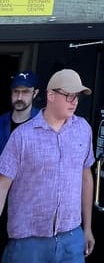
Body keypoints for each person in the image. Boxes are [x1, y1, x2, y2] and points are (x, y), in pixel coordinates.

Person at [0, 69, 95, 262]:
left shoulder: (83, 130)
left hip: (71, 237)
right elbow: (2, 185)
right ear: (51, 95)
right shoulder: (22, 136)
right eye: (69, 95)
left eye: (77, 96)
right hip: (28, 241)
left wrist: (87, 228)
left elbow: (86, 177)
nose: (74, 101)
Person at [0, 72, 41, 257]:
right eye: (16, 91)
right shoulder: (1, 121)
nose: (19, 97)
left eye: (25, 92)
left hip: (29, 201)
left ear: (35, 93)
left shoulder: (42, 122)